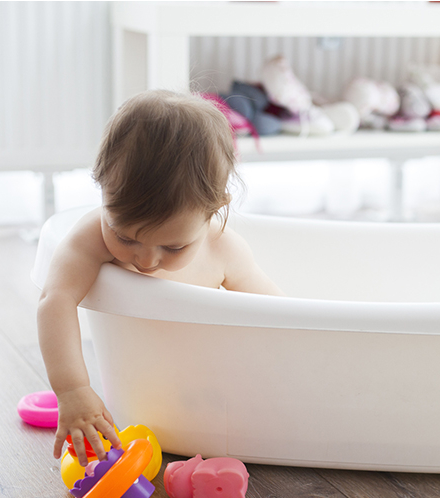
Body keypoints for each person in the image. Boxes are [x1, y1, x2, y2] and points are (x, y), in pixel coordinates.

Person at [38, 89, 282, 466]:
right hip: (141, 389)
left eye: (172, 247)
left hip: (211, 390)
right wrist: (72, 390)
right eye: (124, 237)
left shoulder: (224, 250)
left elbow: (278, 315)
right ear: (102, 193)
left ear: (214, 211)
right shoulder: (88, 240)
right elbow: (55, 300)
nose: (146, 259)